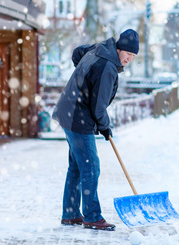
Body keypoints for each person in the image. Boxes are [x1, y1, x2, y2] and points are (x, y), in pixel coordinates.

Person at [52, 29, 139, 231]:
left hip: (69, 111)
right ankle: (91, 216)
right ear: (119, 48)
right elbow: (99, 107)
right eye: (127, 53)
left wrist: (83, 80)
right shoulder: (108, 66)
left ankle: (71, 213)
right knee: (91, 167)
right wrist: (105, 127)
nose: (129, 59)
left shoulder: (99, 49)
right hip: (78, 117)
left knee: (76, 167)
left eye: (133, 56)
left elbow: (77, 52)